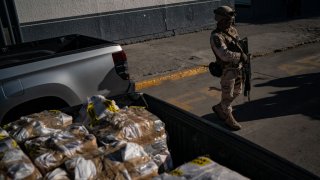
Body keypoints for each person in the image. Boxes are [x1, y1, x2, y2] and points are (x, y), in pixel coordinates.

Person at [210, 5, 248, 130]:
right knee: (227, 94)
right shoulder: (216, 36)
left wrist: (244, 56)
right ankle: (228, 118)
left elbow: (238, 44)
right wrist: (240, 56)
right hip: (227, 70)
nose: (230, 23)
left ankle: (220, 107)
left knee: (238, 91)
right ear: (220, 20)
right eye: (227, 21)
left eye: (231, 21)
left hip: (238, 68)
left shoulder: (232, 30)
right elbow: (224, 55)